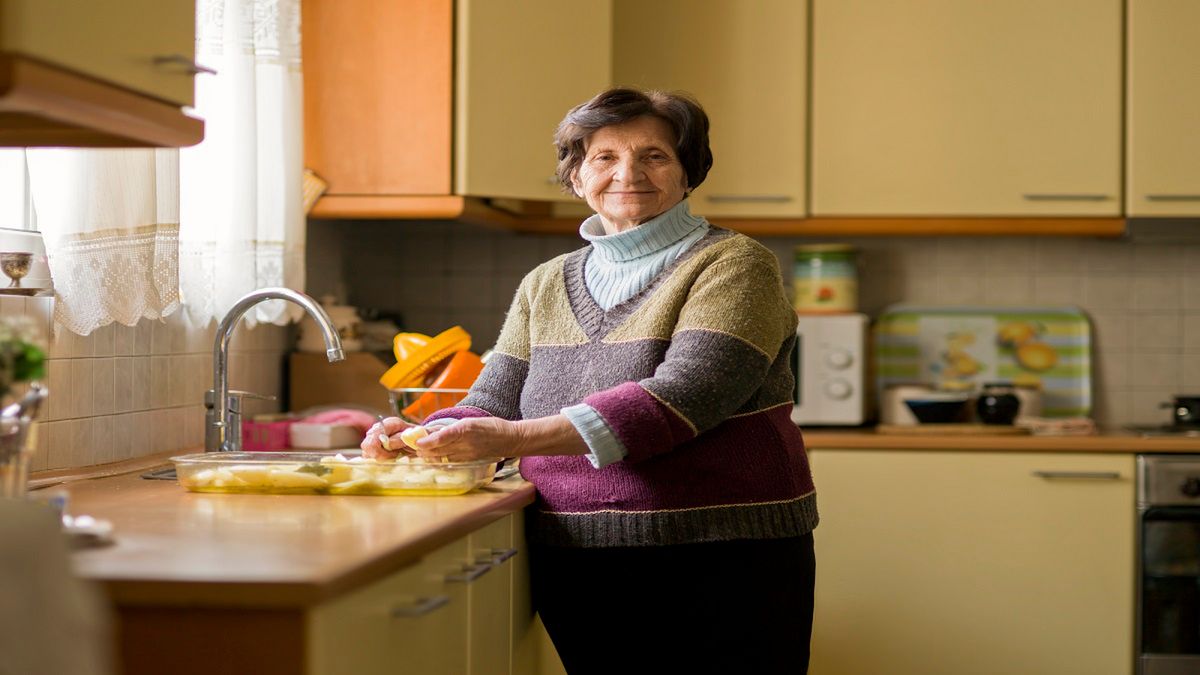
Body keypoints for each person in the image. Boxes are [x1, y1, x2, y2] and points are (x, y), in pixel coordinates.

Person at [362, 88, 817, 674]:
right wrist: (421, 436)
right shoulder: (545, 282)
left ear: (688, 173)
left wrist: (508, 441)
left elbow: (683, 398)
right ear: (576, 176)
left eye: (654, 155)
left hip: (721, 549)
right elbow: (492, 397)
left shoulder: (733, 264)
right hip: (575, 551)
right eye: (604, 157)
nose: (628, 173)